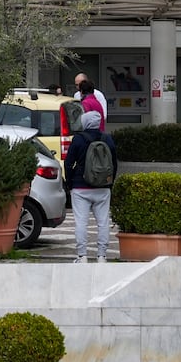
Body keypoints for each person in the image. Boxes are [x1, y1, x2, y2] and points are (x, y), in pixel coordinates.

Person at [64, 110, 118, 263]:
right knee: (103, 222)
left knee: (81, 222)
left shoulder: (78, 139)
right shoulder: (107, 139)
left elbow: (68, 163)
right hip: (103, 187)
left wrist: (70, 183)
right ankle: (102, 256)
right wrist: (110, 182)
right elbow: (114, 163)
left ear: (85, 122)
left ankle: (82, 256)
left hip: (80, 187)